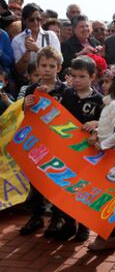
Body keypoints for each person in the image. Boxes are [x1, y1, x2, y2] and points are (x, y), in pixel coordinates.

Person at [20, 46, 68, 237]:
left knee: (57, 179)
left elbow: (69, 116)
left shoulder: (66, 90)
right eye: (43, 65)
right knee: (36, 181)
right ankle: (36, 216)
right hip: (37, 143)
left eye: (51, 65)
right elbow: (24, 116)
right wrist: (25, 105)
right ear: (37, 68)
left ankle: (58, 217)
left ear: (59, 67)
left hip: (58, 144)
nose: (47, 69)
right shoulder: (30, 89)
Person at [54, 56, 104, 241]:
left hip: (88, 155)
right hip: (66, 152)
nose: (76, 80)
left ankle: (83, 227)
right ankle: (68, 224)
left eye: (81, 76)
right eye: (73, 76)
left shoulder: (99, 100)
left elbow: (107, 124)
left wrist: (97, 123)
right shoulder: (67, 94)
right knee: (65, 187)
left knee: (83, 190)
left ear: (92, 76)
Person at [87, 63, 115, 250]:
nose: (103, 85)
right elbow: (110, 127)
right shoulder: (111, 103)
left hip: (110, 158)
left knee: (107, 199)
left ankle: (107, 236)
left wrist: (103, 145)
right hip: (107, 156)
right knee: (105, 198)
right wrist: (97, 130)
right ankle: (107, 235)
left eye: (107, 81)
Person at [12, 3, 60, 75]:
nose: (36, 22)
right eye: (31, 20)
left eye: (38, 19)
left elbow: (60, 60)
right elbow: (20, 70)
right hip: (28, 81)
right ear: (24, 21)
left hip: (49, 78)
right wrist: (27, 51)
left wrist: (37, 49)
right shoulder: (17, 40)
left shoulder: (51, 36)